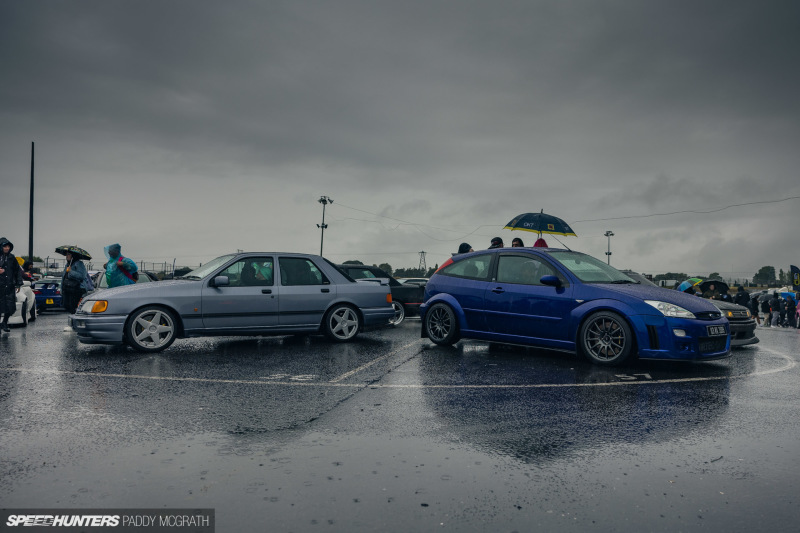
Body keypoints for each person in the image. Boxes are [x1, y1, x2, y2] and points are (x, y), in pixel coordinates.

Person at [0, 238, 23, 332]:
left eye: (8, 246)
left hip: (9, 286)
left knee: (10, 307)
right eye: (5, 246)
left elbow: (18, 271)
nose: (7, 248)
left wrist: (18, 284)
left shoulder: (12, 257)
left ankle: (4, 322)